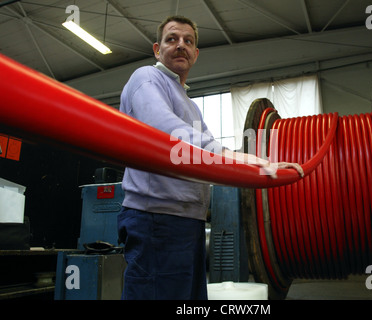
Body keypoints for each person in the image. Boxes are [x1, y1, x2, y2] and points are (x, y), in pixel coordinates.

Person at [117, 15, 304, 300]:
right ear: (157, 49)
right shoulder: (147, 78)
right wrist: (238, 157)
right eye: (172, 39)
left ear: (196, 53)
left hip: (187, 221)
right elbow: (165, 128)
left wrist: (256, 163)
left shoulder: (191, 106)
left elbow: (206, 153)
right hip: (156, 218)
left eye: (188, 41)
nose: (180, 46)